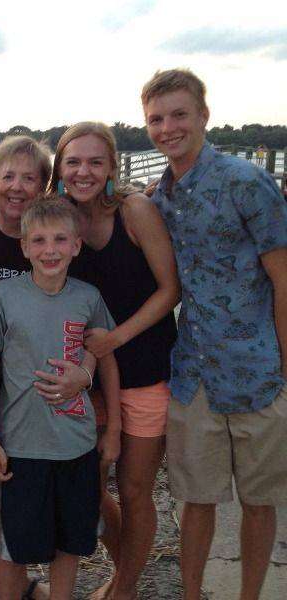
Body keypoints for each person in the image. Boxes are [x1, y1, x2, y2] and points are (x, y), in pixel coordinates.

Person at [142, 68, 287, 600]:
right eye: (156, 119)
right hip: (194, 376)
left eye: (179, 114)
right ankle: (191, 594)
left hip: (258, 373)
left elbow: (284, 279)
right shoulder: (159, 198)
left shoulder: (247, 183)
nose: (168, 128)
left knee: (259, 501)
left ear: (204, 115)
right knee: (196, 500)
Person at [49, 122, 180, 600]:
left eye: (95, 162)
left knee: (136, 489)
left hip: (145, 373)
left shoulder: (134, 211)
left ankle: (124, 587)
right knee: (88, 488)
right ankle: (125, 569)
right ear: (59, 169)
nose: (83, 171)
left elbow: (171, 289)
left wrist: (116, 338)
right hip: (88, 381)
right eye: (73, 162)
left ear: (111, 168)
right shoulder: (57, 220)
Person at [0, 198, 120, 600]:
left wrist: (114, 430)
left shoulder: (88, 298)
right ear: (24, 247)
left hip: (76, 445)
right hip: (22, 447)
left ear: (76, 245)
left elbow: (106, 360)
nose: (50, 250)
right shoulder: (3, 297)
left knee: (70, 544)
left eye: (60, 239)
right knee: (16, 546)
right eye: (38, 240)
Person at [0, 135, 66, 600]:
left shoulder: (50, 243)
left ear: (44, 186)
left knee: (26, 503)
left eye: (29, 178)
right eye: (8, 176)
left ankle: (19, 585)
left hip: (33, 394)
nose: (17, 187)